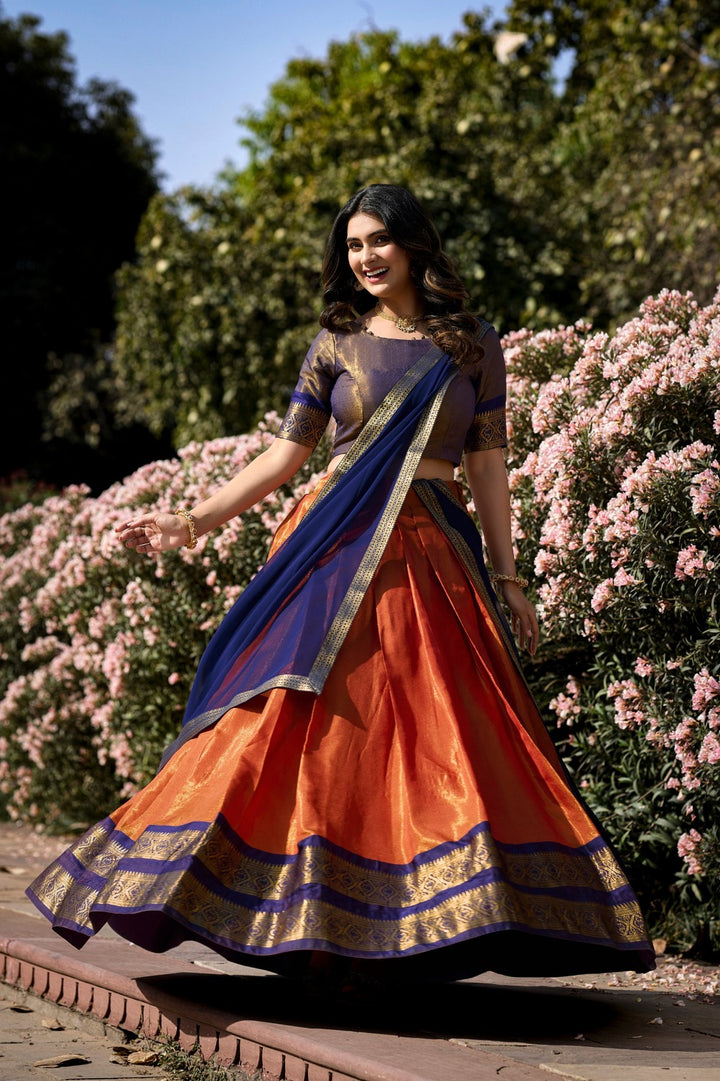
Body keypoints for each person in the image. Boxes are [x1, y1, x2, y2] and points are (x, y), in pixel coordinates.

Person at [27, 184, 655, 989]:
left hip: (434, 550)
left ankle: (419, 922)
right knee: (308, 728)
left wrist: (508, 572)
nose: (364, 257)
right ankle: (296, 911)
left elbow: (488, 465)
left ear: (415, 244)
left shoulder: (470, 343)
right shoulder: (337, 341)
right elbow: (284, 458)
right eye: (353, 244)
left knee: (437, 736)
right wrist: (192, 520)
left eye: (378, 240)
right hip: (333, 550)